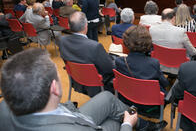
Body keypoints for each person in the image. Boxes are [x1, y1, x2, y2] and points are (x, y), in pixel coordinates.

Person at [0, 48, 167, 131]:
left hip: (71, 116)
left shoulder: (3, 107)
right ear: (54, 88)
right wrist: (127, 125)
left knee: (108, 97)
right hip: (77, 125)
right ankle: (140, 124)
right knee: (118, 121)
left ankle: (142, 124)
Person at [115, 25, 169, 114]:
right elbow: (165, 83)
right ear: (148, 43)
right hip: (149, 105)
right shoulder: (153, 63)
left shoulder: (119, 61)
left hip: (127, 99)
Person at [59, 11, 114, 97]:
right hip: (96, 85)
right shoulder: (95, 46)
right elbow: (110, 68)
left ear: (69, 26)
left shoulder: (62, 41)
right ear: (86, 26)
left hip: (76, 80)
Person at [150, 8, 196, 75]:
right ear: (174, 18)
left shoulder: (152, 29)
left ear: (161, 18)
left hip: (158, 65)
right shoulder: (181, 31)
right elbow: (193, 52)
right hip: (177, 69)